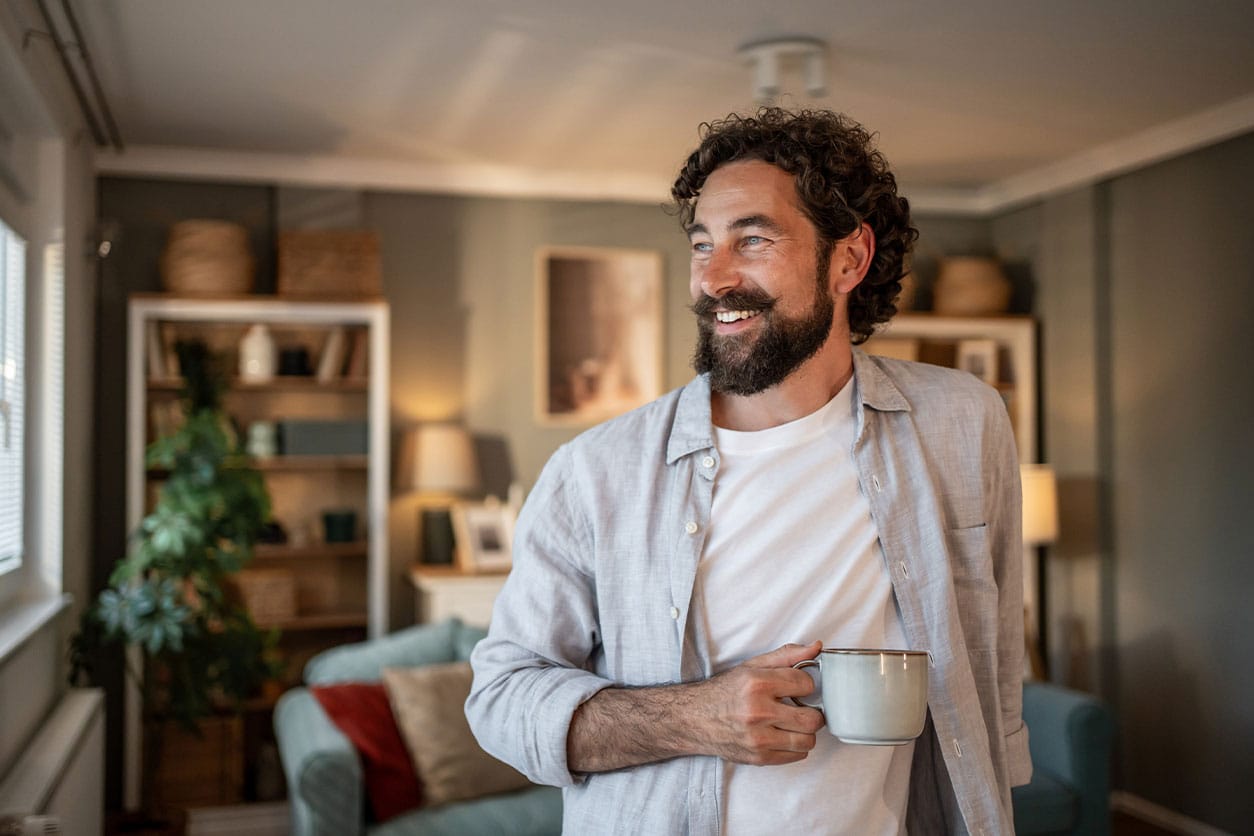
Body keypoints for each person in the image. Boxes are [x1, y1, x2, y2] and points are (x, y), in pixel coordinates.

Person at [466, 107, 1030, 835]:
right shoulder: (594, 473)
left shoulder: (961, 423)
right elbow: (503, 699)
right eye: (703, 246)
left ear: (848, 260)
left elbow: (995, 661)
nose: (715, 278)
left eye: (753, 240)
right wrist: (697, 717)